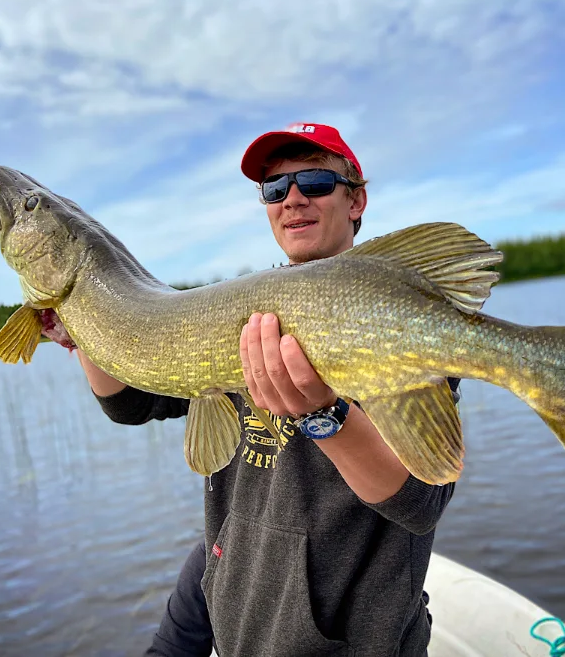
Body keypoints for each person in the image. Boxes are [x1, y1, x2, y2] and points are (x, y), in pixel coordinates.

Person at [64, 123, 461, 656]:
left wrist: (325, 415)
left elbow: (419, 500)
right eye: (275, 189)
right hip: (241, 624)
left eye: (315, 181)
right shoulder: (240, 316)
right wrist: (86, 324)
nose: (292, 199)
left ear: (357, 200)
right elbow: (130, 402)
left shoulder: (395, 316)